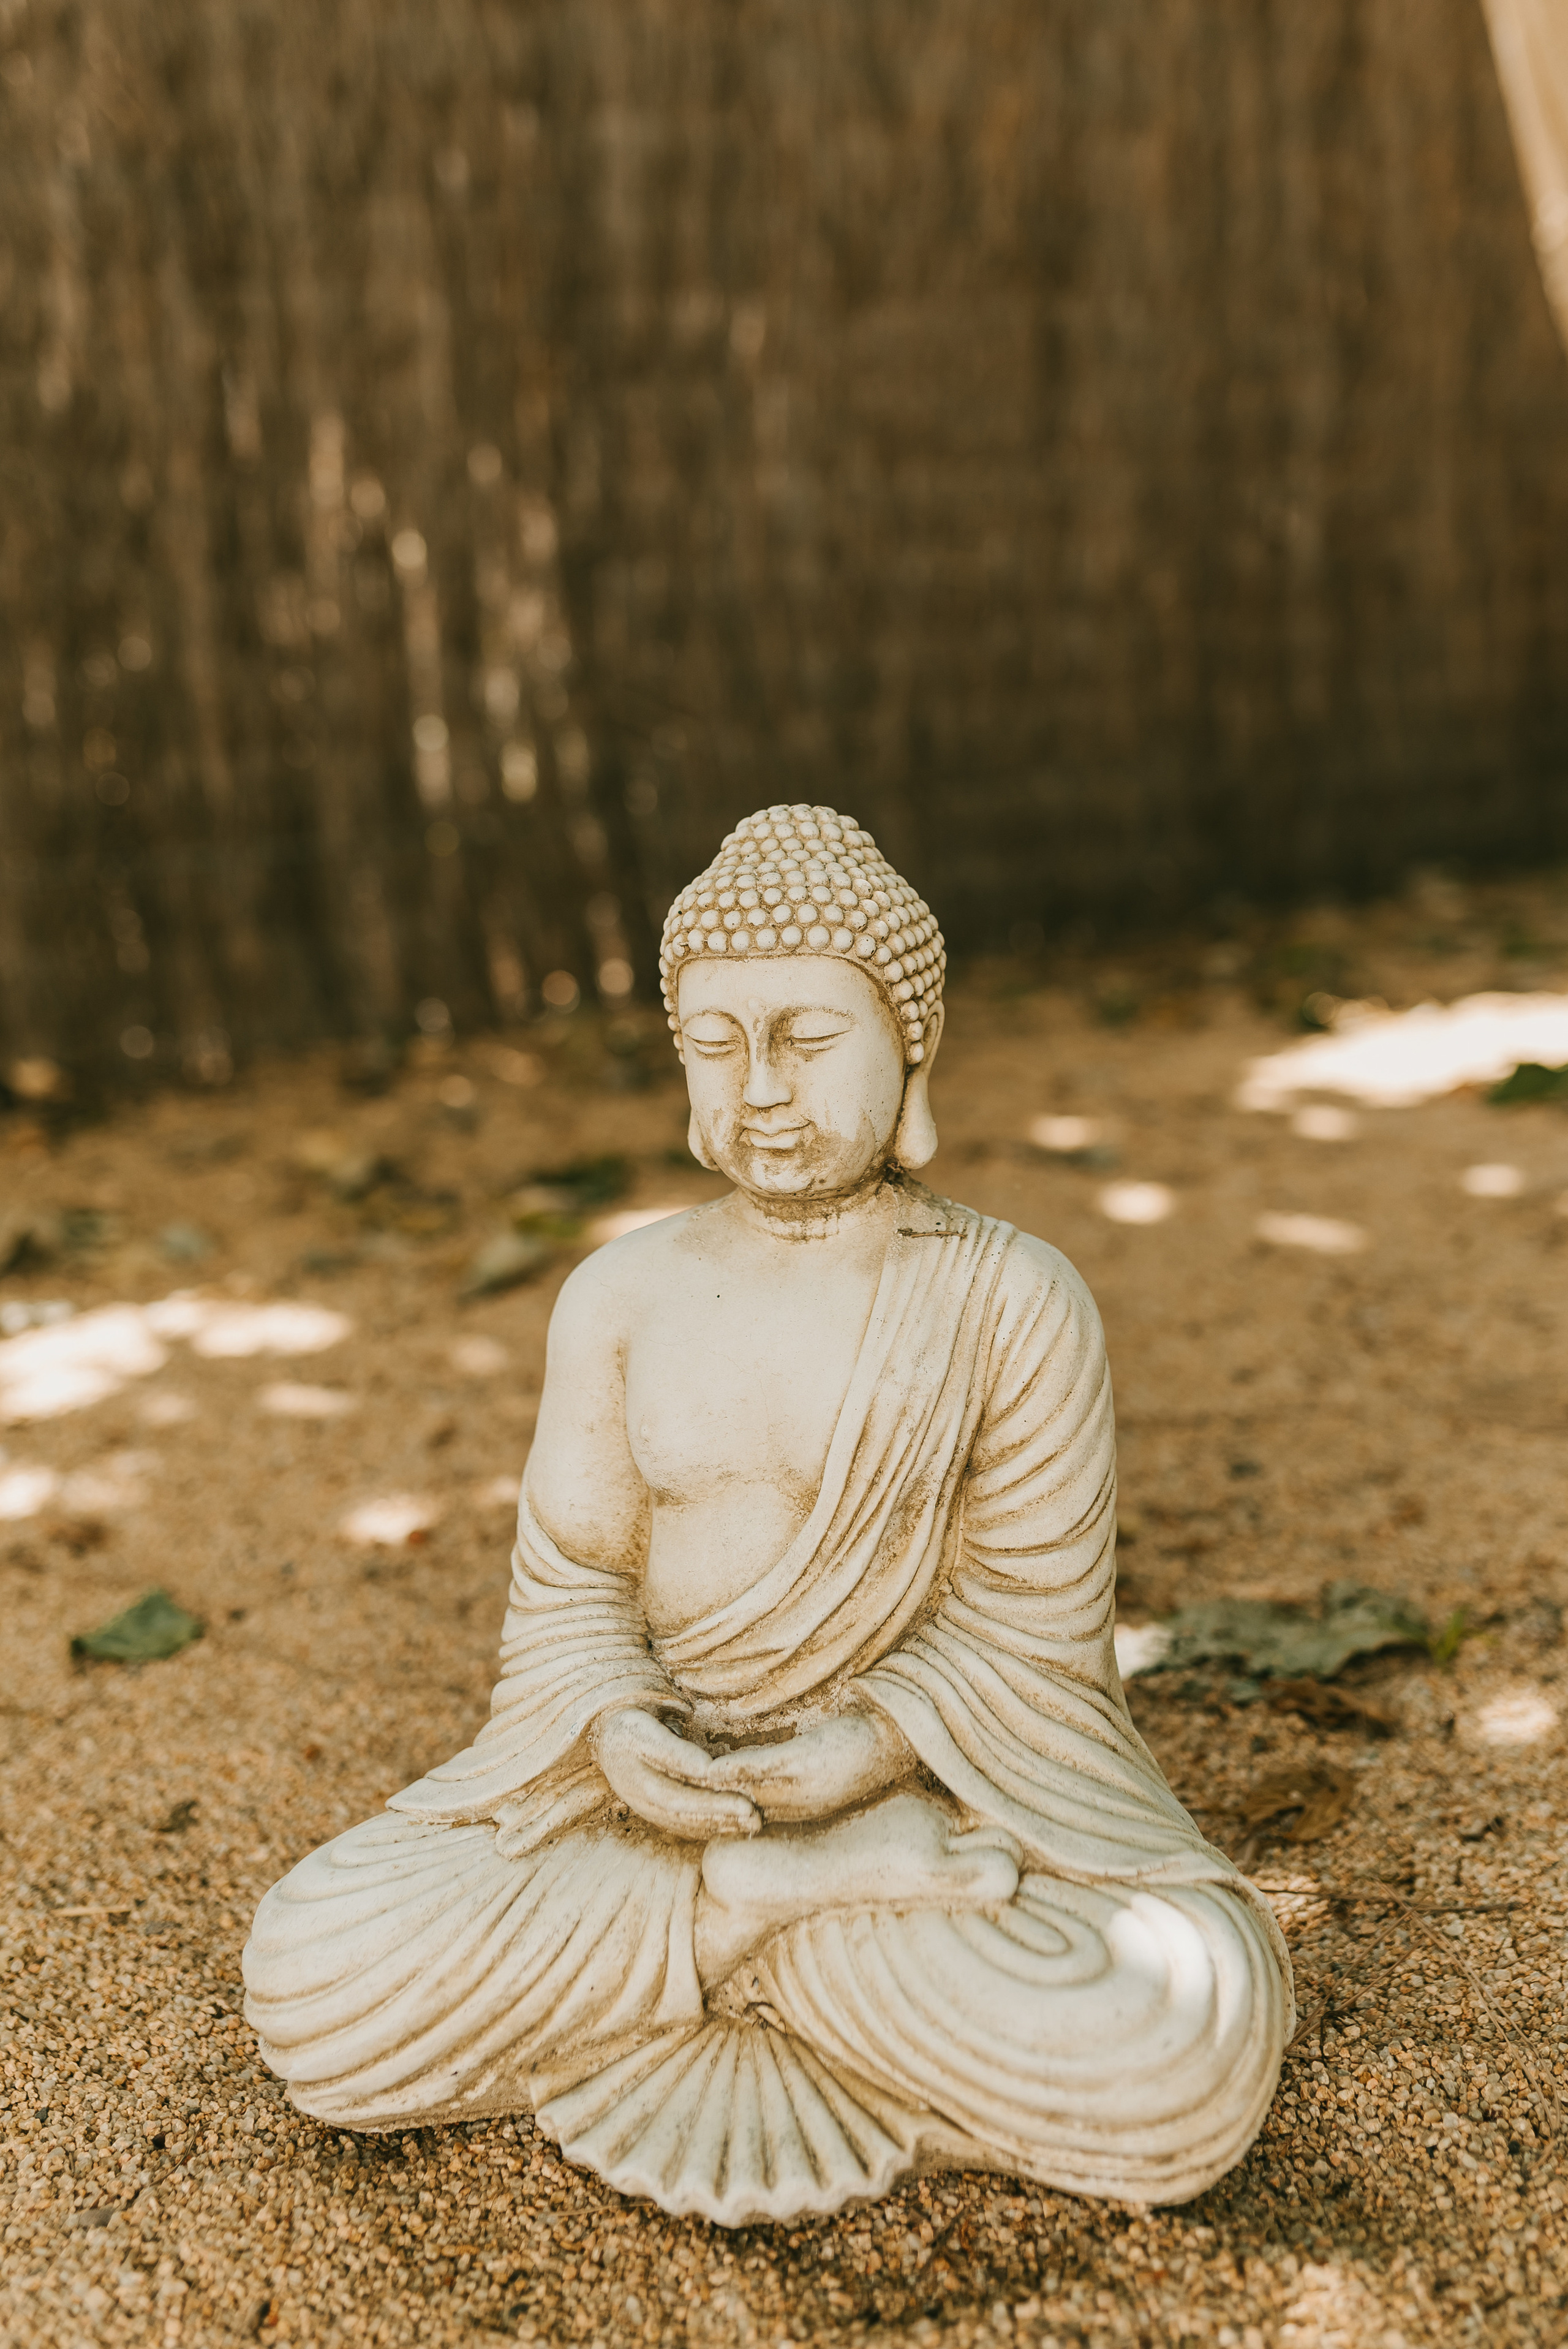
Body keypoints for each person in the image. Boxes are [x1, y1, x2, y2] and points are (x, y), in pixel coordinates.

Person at [244, 804, 1292, 2223]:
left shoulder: (1011, 1300)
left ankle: (710, 1939)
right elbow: (570, 1597)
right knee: (311, 1967)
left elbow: (1034, 1641)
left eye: (805, 1040)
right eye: (716, 1045)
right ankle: (761, 1908)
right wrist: (615, 1728)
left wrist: (871, 1744)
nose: (762, 1092)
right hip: (655, 1805)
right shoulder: (617, 1297)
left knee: (1182, 2034)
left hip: (922, 1796)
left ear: (907, 1045)